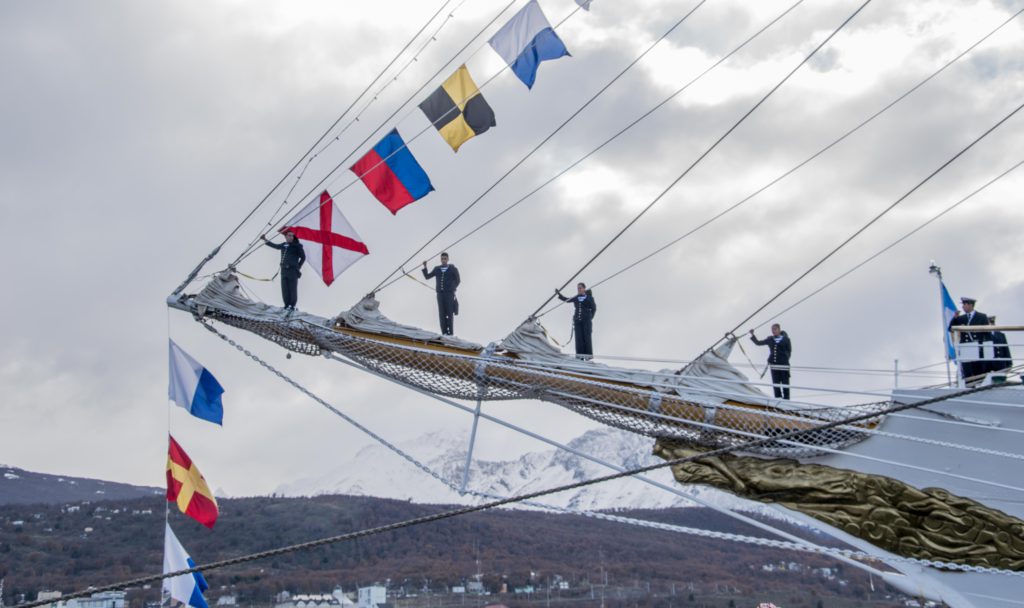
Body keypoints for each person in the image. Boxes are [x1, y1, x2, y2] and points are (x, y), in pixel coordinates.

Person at [261, 230, 306, 311]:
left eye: (292, 236)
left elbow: (303, 257)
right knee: (284, 288)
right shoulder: (283, 245)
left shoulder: (297, 246)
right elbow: (275, 246)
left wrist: (297, 267)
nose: (291, 237)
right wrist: (265, 240)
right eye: (289, 235)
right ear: (285, 237)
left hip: (292, 271)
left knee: (292, 288)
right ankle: (286, 305)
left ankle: (292, 306)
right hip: (284, 270)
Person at [948, 297, 990, 382]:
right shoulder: (961, 318)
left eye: (964, 304)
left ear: (970, 305)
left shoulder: (982, 316)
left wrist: (987, 348)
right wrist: (955, 318)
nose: (963, 307)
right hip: (966, 347)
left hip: (978, 347)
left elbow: (987, 334)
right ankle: (970, 387)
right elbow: (950, 328)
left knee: (979, 370)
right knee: (967, 371)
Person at [750, 324, 792, 400]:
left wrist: (784, 359)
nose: (773, 331)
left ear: (779, 329)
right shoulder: (770, 339)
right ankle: (778, 399)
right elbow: (758, 343)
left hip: (784, 365)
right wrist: (753, 335)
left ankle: (786, 400)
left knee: (785, 383)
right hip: (774, 365)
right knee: (776, 383)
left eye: (775, 329)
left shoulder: (786, 339)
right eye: (772, 329)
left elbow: (789, 351)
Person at [422, 252, 460, 335]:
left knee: (449, 313)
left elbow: (458, 280)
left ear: (448, 259)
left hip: (449, 294)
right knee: (441, 314)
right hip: (440, 295)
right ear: (440, 259)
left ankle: (451, 333)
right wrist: (425, 267)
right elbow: (427, 277)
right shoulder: (437, 269)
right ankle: (444, 333)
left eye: (445, 259)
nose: (443, 260)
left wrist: (452, 288)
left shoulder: (453, 269)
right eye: (442, 259)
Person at [556, 283, 597, 360]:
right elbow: (567, 300)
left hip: (586, 321)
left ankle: (588, 357)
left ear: (584, 289)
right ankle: (579, 357)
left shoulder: (589, 298)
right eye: (578, 288)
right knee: (579, 339)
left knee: (587, 337)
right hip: (577, 321)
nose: (579, 289)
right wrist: (559, 295)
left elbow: (594, 309)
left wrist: (590, 318)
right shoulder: (576, 297)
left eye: (580, 288)